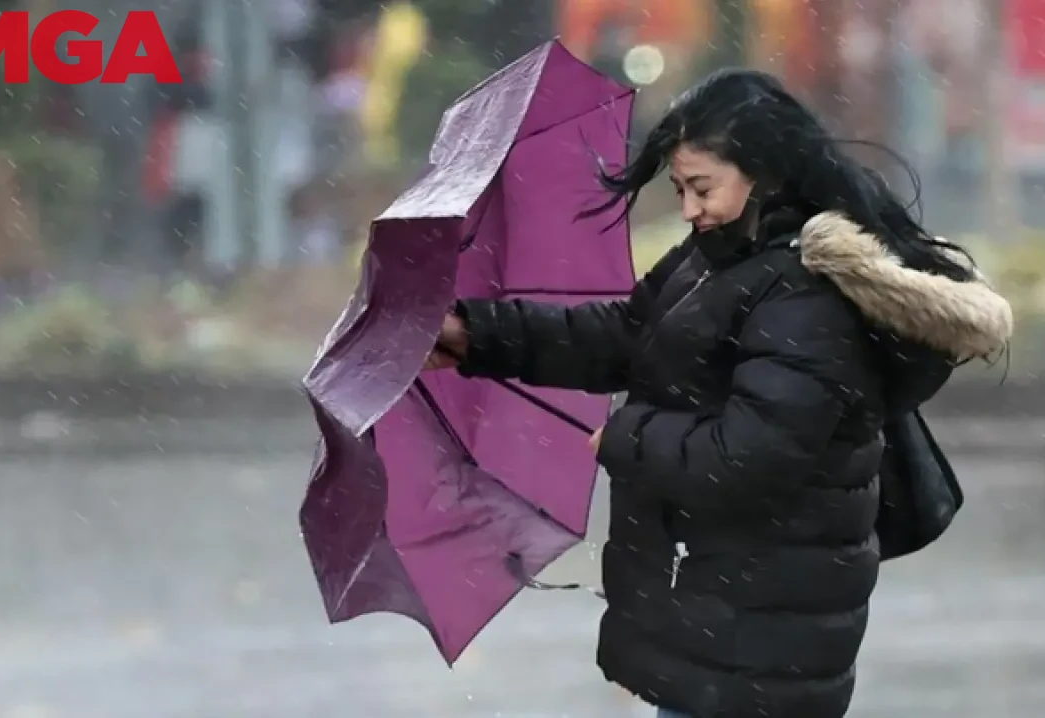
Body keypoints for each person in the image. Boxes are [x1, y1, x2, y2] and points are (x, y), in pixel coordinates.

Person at [425, 69, 1012, 717]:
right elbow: (628, 336)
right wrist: (477, 336)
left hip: (764, 642)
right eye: (679, 189)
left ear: (765, 171)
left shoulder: (804, 294)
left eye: (702, 188)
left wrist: (626, 438)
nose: (688, 209)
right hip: (720, 619)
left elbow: (748, 457)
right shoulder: (719, 255)